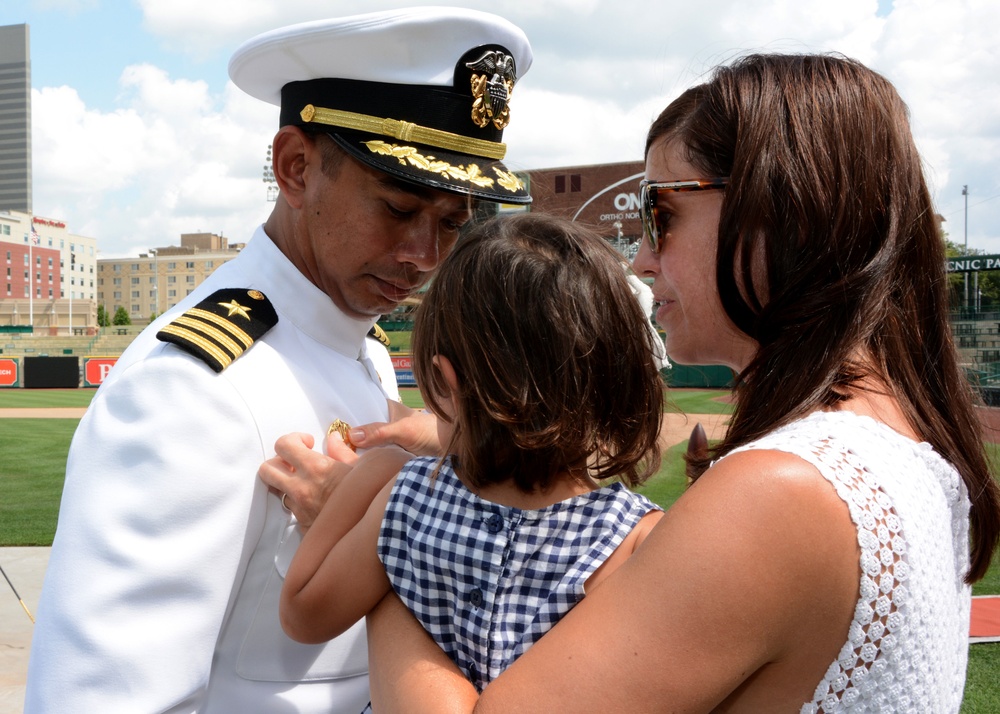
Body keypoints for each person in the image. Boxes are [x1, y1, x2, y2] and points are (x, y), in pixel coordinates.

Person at [345, 53, 1000, 711]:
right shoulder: (905, 440)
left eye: (663, 213)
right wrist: (464, 437)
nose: (641, 259)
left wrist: (394, 560)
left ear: (783, 210)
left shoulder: (781, 493)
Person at [25, 8, 532, 713]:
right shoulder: (193, 388)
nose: (425, 256)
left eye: (451, 223)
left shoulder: (365, 351)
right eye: (397, 207)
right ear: (295, 168)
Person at [260, 213, 665, 700]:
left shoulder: (401, 489)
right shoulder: (641, 538)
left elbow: (302, 615)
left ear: (445, 382)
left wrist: (363, 489)